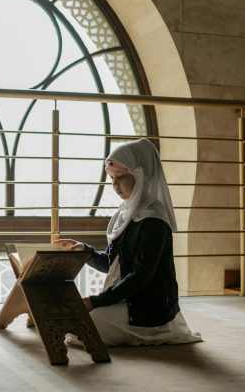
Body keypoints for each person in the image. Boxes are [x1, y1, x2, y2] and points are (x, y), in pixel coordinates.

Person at [54, 138, 202, 347]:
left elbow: (140, 276)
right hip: (128, 300)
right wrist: (83, 250)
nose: (115, 185)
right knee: (71, 321)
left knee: (80, 330)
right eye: (112, 178)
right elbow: (110, 263)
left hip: (146, 309)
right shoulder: (126, 215)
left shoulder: (153, 221)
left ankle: (155, 333)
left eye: (121, 177)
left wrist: (96, 301)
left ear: (142, 176)